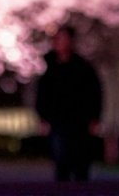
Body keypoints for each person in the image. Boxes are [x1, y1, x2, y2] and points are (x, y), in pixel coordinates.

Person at [35, 26, 104, 182]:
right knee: (61, 163)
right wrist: (43, 118)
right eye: (58, 39)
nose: (60, 42)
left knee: (81, 165)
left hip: (80, 122)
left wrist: (95, 118)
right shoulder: (50, 69)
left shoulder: (84, 68)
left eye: (64, 38)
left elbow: (95, 94)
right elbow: (42, 95)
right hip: (58, 122)